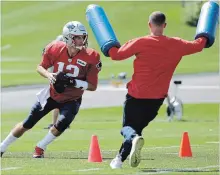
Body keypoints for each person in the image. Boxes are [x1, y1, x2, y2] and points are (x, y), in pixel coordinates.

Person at [108, 11, 207, 169]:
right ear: (164, 25)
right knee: (136, 129)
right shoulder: (177, 44)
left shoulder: (140, 42)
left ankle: (128, 146)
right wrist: (206, 31)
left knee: (127, 129)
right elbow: (200, 45)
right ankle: (118, 161)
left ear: (149, 24)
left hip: (136, 95)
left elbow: (115, 55)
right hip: (156, 100)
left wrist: (107, 41)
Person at [0, 21, 102, 158]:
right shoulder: (54, 48)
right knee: (27, 123)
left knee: (62, 125)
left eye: (82, 36)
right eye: (76, 37)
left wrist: (73, 82)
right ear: (67, 37)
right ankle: (2, 147)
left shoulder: (92, 56)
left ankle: (40, 147)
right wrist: (49, 75)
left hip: (72, 99)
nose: (81, 40)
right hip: (51, 94)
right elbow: (40, 67)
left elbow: (92, 86)